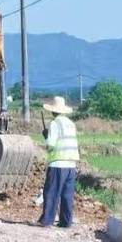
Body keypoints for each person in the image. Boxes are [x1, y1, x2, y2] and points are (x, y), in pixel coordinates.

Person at [38, 96, 79, 227]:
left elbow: (51, 144)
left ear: (53, 111)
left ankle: (47, 221)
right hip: (71, 165)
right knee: (67, 195)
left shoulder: (55, 124)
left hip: (58, 164)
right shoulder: (71, 124)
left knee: (51, 193)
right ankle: (66, 222)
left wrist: (46, 136)